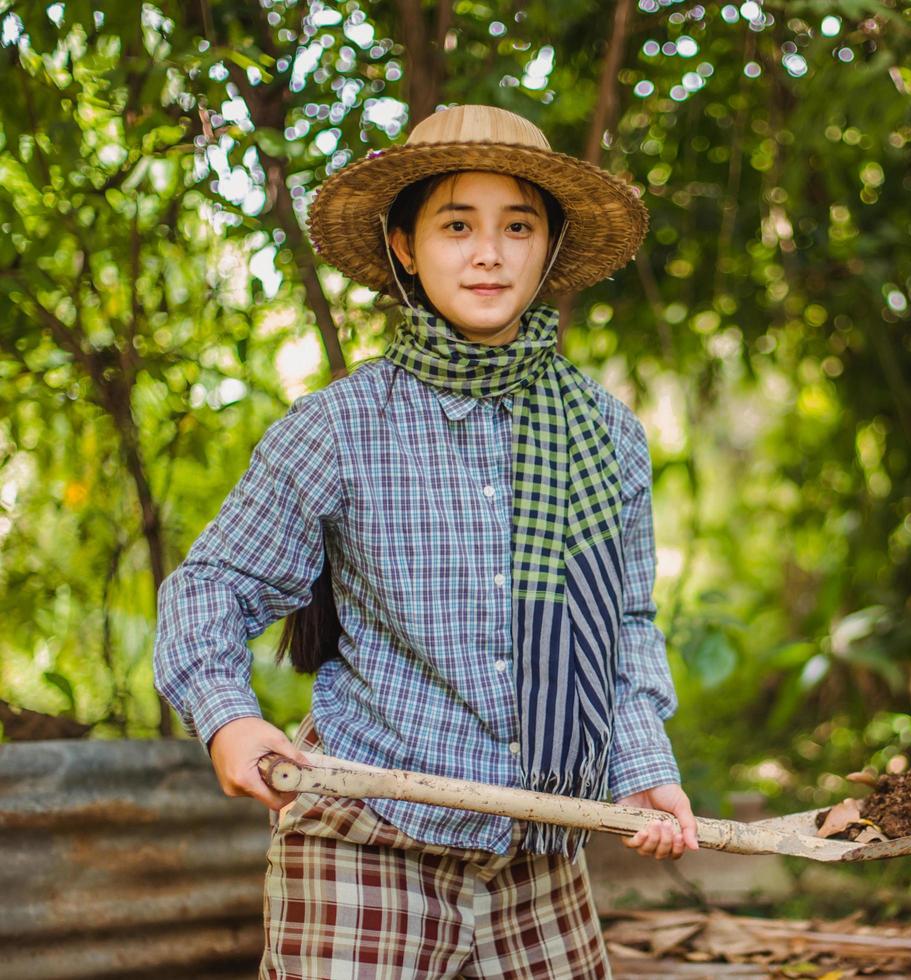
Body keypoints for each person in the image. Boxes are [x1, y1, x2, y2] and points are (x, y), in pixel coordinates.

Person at [153, 104, 696, 978]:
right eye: (456, 225)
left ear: (548, 244)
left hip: (541, 845)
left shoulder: (604, 433)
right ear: (405, 245)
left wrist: (641, 767)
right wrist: (230, 720)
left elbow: (624, 623)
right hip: (368, 837)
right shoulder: (340, 428)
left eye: (518, 226)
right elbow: (212, 585)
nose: (490, 253)